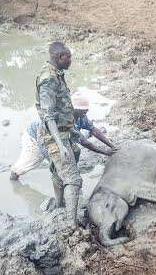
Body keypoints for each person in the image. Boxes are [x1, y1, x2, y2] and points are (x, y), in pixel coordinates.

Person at [10, 93, 116, 181]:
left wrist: (111, 146)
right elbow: (85, 142)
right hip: (35, 137)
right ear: (74, 108)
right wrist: (105, 152)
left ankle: (67, 171)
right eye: (83, 109)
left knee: (73, 152)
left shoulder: (81, 116)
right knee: (31, 162)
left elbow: (94, 130)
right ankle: (14, 177)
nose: (86, 111)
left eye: (86, 109)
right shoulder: (64, 118)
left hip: (60, 138)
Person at [34, 41, 83, 227]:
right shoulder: (48, 79)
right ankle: (72, 225)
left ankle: (61, 205)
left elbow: (62, 109)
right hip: (54, 136)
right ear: (58, 57)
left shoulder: (57, 74)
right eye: (68, 57)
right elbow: (49, 116)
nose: (70, 60)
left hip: (64, 133)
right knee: (73, 178)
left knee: (61, 168)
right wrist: (60, 145)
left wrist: (73, 131)